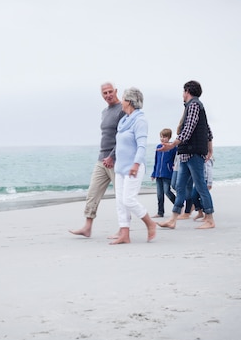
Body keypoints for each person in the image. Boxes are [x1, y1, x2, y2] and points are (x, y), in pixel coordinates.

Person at [157, 80, 215, 229]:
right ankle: (173, 219)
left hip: (193, 153)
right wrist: (210, 149)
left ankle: (210, 219)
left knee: (201, 185)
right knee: (180, 187)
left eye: (183, 91)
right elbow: (208, 131)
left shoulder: (195, 105)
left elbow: (188, 129)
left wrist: (172, 144)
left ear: (187, 90)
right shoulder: (192, 106)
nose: (182, 95)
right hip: (185, 154)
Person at [69, 82, 125, 237]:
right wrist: (105, 157)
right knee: (92, 193)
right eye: (104, 93)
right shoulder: (104, 112)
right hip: (102, 159)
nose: (108, 95)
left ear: (116, 91)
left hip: (116, 160)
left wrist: (112, 157)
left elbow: (122, 137)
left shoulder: (122, 110)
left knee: (121, 196)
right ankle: (87, 227)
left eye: (110, 92)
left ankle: (123, 229)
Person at [109, 87, 157, 245]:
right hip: (120, 168)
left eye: (123, 99)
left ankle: (150, 223)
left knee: (128, 200)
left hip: (133, 167)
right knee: (120, 202)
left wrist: (136, 164)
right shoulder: (124, 121)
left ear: (129, 101)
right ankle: (124, 234)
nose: (121, 101)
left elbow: (142, 146)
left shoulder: (140, 120)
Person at [151, 128, 177, 218]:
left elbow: (176, 160)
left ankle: (178, 206)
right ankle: (160, 212)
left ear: (169, 137)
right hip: (158, 174)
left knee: (167, 191)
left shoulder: (172, 147)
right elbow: (156, 161)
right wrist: (153, 173)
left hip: (168, 173)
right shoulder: (158, 147)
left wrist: (173, 168)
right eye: (161, 137)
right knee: (159, 194)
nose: (162, 138)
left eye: (165, 137)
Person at [193, 156, 214, 221]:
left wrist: (209, 183)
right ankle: (200, 212)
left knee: (203, 197)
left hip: (205, 180)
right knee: (193, 196)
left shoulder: (208, 159)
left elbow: (209, 171)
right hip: (198, 180)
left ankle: (207, 215)